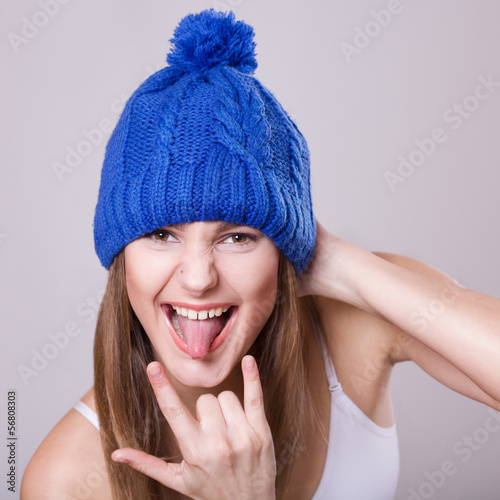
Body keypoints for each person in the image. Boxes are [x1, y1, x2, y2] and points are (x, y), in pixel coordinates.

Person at [21, 9, 500, 500]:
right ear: (122, 259)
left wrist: (342, 266)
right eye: (162, 234)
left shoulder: (355, 321)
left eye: (238, 237)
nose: (198, 277)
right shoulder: (65, 479)